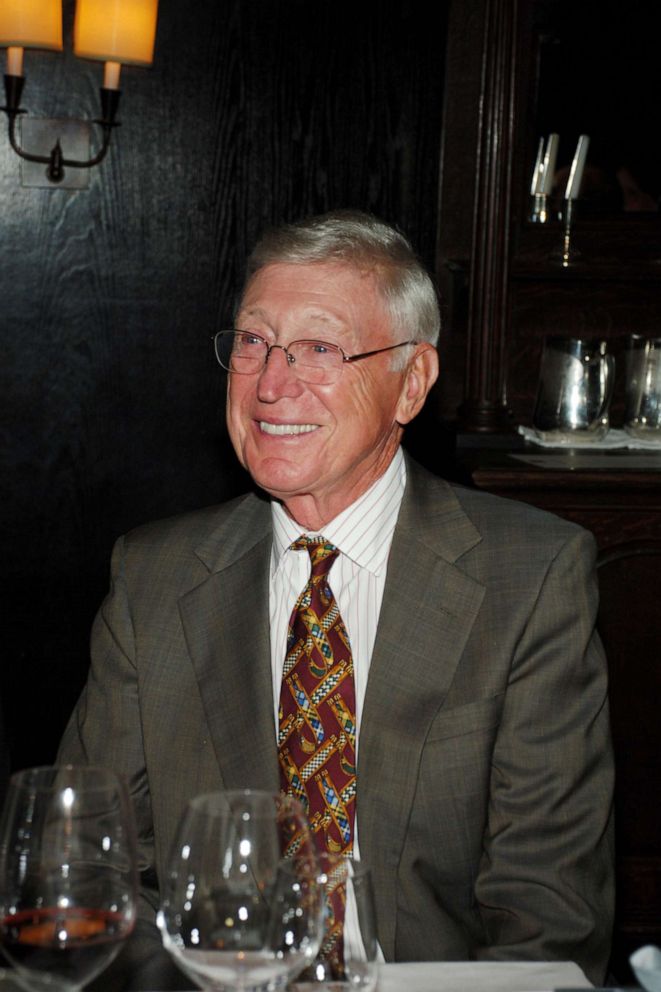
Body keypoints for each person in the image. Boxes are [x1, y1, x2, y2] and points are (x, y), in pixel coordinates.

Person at [58, 210, 614, 988]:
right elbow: (92, 871)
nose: (271, 383)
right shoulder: (155, 577)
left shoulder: (526, 579)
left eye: (319, 348)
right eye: (252, 342)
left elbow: (548, 917)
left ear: (411, 383)